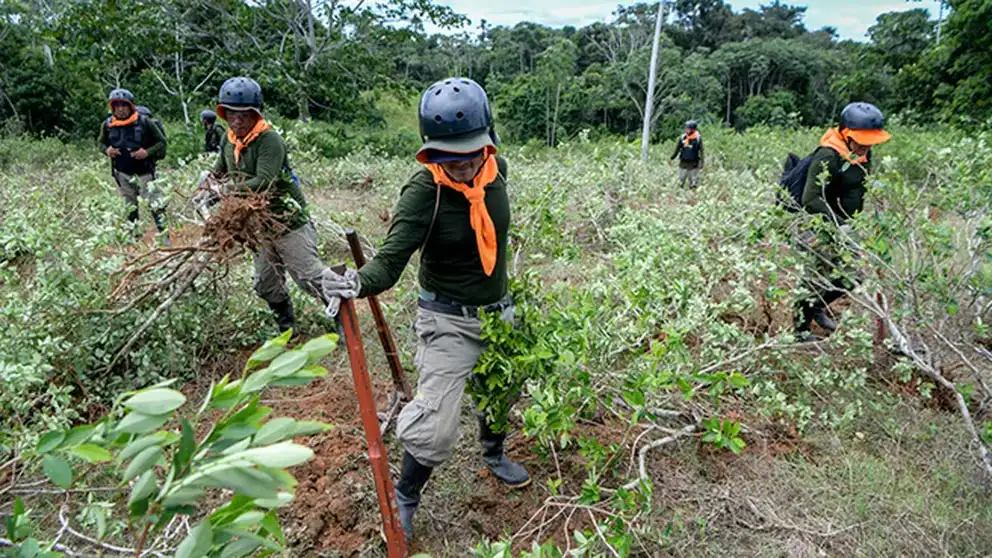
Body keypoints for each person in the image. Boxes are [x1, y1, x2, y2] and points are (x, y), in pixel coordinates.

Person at [321, 77, 530, 544]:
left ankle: (494, 454)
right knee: (435, 427)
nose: (462, 163)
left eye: (473, 151)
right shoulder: (424, 191)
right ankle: (407, 494)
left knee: (501, 390)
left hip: (498, 311)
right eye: (449, 156)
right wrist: (355, 283)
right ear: (430, 150)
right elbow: (391, 261)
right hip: (448, 318)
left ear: (489, 141)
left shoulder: (498, 172)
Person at [209, 77, 325, 333]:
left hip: (287, 219)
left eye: (243, 115)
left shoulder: (269, 140)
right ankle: (286, 325)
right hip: (258, 223)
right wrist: (207, 185)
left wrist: (225, 191)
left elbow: (263, 182)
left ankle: (345, 319)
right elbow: (219, 170)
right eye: (231, 114)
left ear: (255, 115)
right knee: (265, 282)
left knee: (309, 277)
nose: (237, 121)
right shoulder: (228, 140)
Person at [795, 102, 892, 340]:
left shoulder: (863, 154)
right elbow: (811, 198)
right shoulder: (828, 155)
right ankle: (800, 330)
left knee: (853, 275)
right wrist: (840, 224)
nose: (866, 146)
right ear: (845, 134)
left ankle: (817, 307)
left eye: (870, 141)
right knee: (814, 278)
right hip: (818, 225)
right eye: (861, 140)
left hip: (847, 225)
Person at [99, 89, 169, 244]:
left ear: (131, 106)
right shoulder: (108, 125)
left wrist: (147, 152)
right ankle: (135, 236)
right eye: (117, 106)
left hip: (144, 171)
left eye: (124, 105)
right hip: (123, 172)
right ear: (112, 108)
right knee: (130, 206)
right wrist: (107, 150)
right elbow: (101, 143)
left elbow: (161, 142)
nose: (120, 109)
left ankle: (164, 235)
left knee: (154, 204)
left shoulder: (144, 122)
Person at [671, 120, 704, 189]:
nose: (686, 130)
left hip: (693, 165)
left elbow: (701, 151)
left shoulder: (697, 138)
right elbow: (677, 148)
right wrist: (672, 158)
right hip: (683, 164)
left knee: (693, 184)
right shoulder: (683, 137)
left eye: (688, 128)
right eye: (686, 128)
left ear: (693, 129)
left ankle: (692, 198)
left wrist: (702, 162)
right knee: (680, 182)